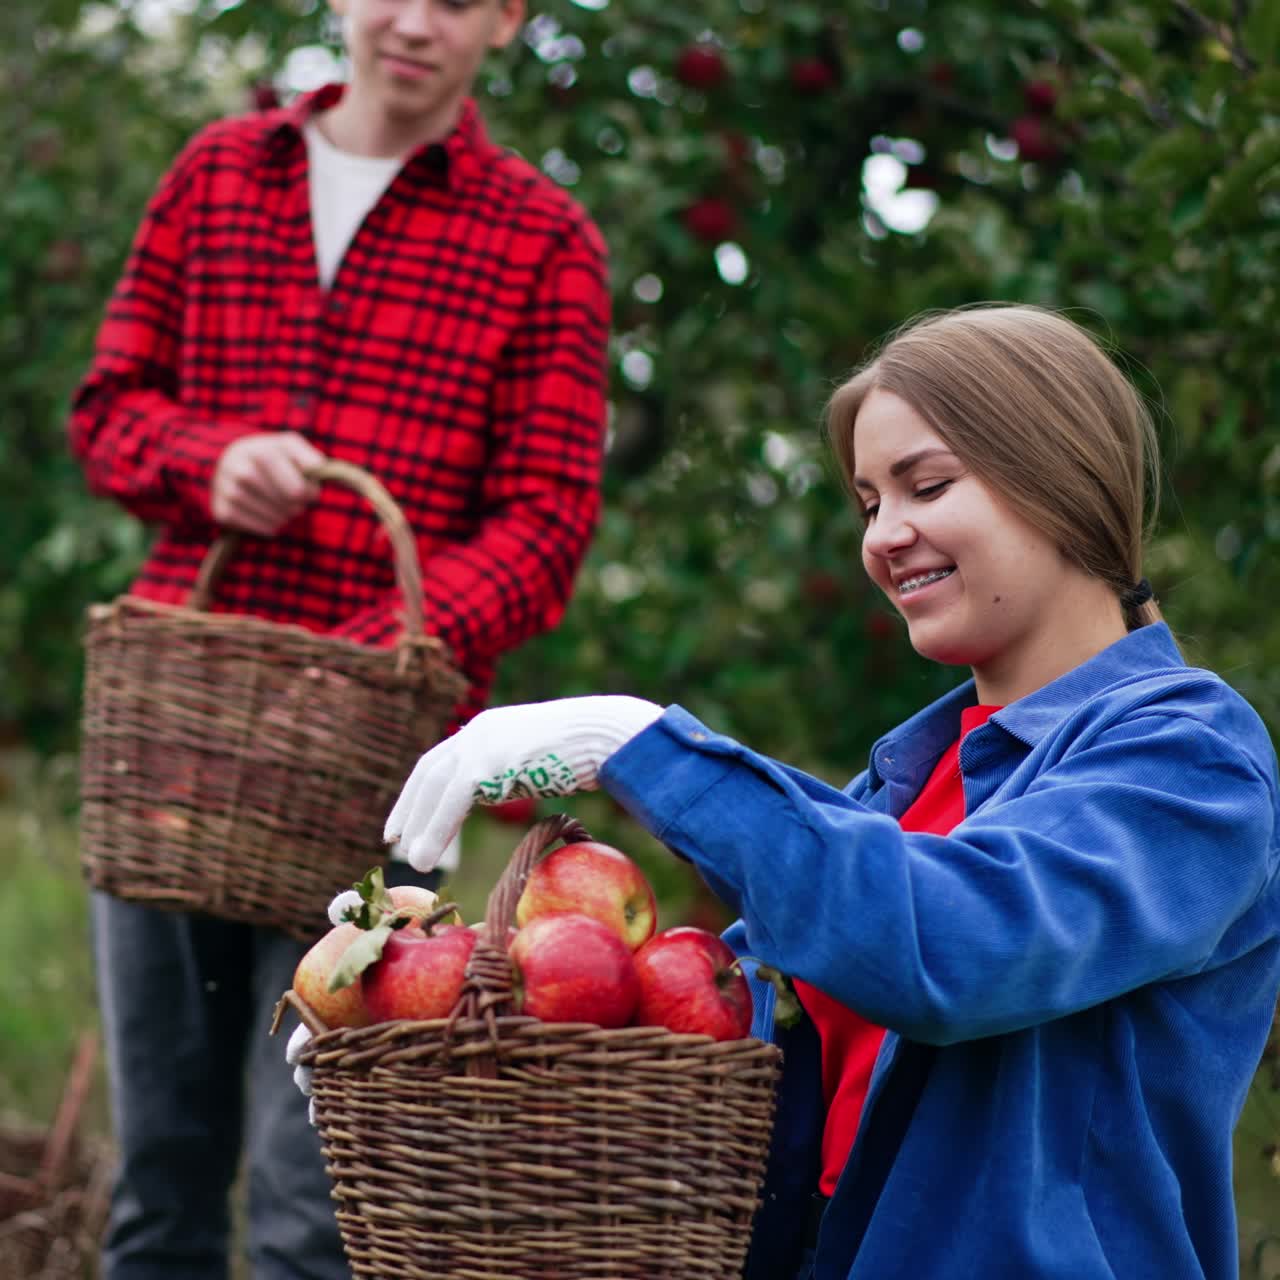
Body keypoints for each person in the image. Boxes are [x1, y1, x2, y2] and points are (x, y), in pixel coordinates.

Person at [378, 305, 1280, 1279]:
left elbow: (950, 944)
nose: (885, 536)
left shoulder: (1187, 757)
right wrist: (427, 1040)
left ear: (1058, 477)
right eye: (865, 503)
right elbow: (705, 1034)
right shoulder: (896, 793)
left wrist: (640, 744)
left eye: (924, 485)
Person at [69, 0, 611, 1274]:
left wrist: (387, 643)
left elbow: (544, 525)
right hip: (177, 759)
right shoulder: (217, 173)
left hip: (372, 779)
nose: (414, 22)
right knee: (159, 1189)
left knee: (320, 1205)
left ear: (508, 21)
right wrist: (208, 461)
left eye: (460, 1)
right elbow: (107, 410)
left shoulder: (543, 239)